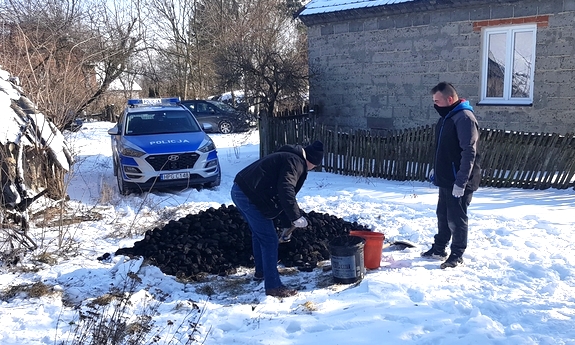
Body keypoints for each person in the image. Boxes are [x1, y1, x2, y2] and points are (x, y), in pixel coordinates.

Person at [230, 140, 324, 297]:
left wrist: (289, 222)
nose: (313, 169)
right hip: (247, 195)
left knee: (259, 234)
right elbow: (286, 189)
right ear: (312, 161)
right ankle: (273, 287)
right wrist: (296, 216)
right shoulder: (296, 162)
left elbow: (279, 195)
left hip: (241, 190)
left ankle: (261, 272)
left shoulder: (289, 157)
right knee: (269, 239)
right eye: (315, 165)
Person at [421, 82, 481, 269]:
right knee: (443, 215)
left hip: (460, 180)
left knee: (457, 218)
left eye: (437, 101)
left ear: (449, 99)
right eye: (433, 101)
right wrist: (436, 169)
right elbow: (443, 149)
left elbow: (468, 152)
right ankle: (439, 248)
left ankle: (457, 254)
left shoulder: (464, 118)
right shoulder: (447, 117)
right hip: (447, 178)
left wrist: (461, 182)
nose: (435, 105)